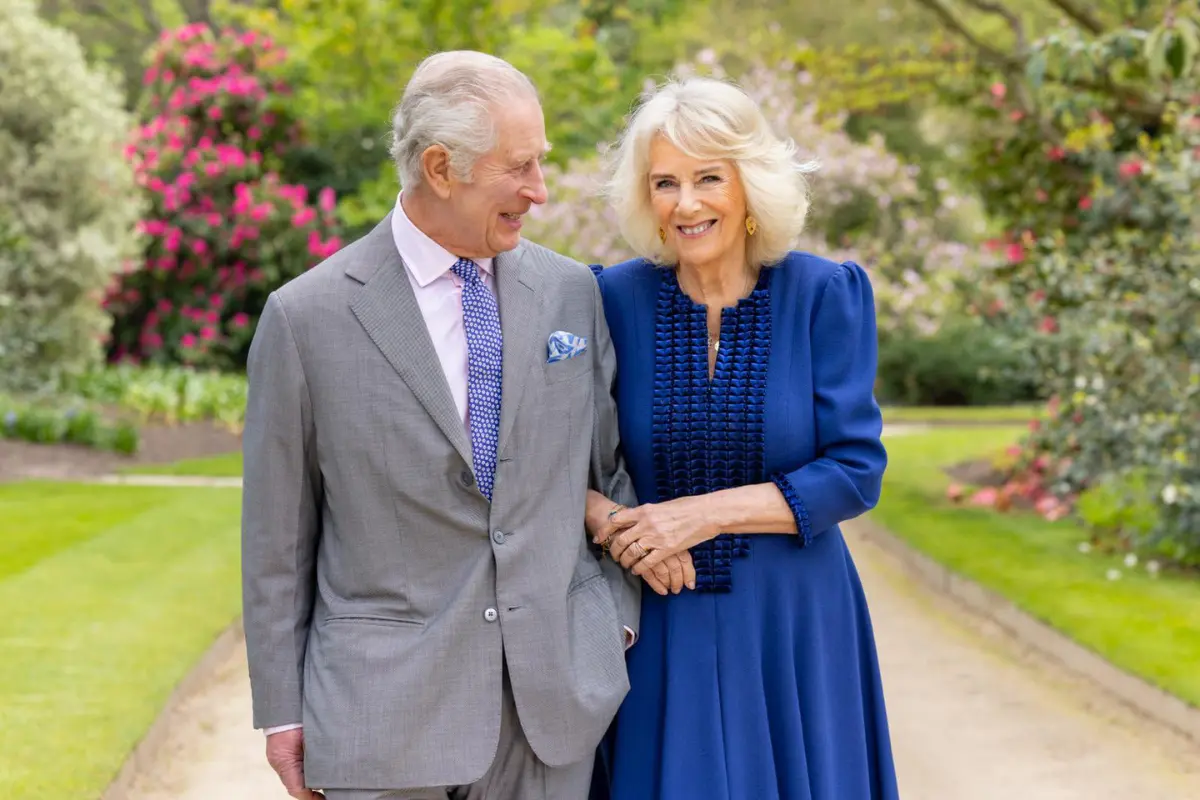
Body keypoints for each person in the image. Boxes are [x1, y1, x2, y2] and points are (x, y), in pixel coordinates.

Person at [241, 50, 690, 800]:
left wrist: (609, 626)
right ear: (441, 168)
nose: (540, 191)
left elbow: (606, 470)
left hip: (550, 711)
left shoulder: (571, 294)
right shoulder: (305, 319)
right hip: (380, 719)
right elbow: (277, 540)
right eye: (520, 168)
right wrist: (281, 710)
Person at [585, 76, 901, 800]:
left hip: (796, 624)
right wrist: (611, 525)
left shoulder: (826, 294)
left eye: (707, 178)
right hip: (661, 618)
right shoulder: (609, 300)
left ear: (749, 186)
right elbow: (550, 454)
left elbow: (856, 470)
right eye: (665, 182)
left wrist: (703, 513)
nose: (686, 203)